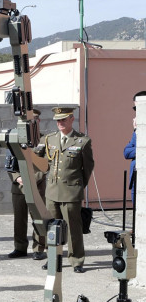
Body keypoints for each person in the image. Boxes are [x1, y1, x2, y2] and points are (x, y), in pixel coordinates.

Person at [36, 107, 94, 273]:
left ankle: (77, 260)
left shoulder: (82, 141)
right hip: (52, 191)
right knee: (52, 228)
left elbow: (88, 168)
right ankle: (53, 258)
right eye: (57, 120)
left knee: (73, 228)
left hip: (71, 192)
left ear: (71, 119)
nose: (59, 123)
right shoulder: (49, 139)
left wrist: (77, 186)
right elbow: (38, 158)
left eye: (63, 120)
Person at [7, 109, 47, 261]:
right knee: (19, 219)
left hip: (37, 186)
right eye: (27, 121)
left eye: (34, 120)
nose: (30, 123)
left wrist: (31, 179)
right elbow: (9, 165)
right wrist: (18, 178)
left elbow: (46, 164)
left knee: (38, 218)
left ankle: (39, 248)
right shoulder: (15, 139)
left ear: (38, 121)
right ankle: (19, 247)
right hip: (19, 187)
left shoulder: (44, 140)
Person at [124, 91, 146, 204]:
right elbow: (127, 153)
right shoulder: (137, 130)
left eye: (139, 109)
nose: (136, 113)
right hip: (136, 180)